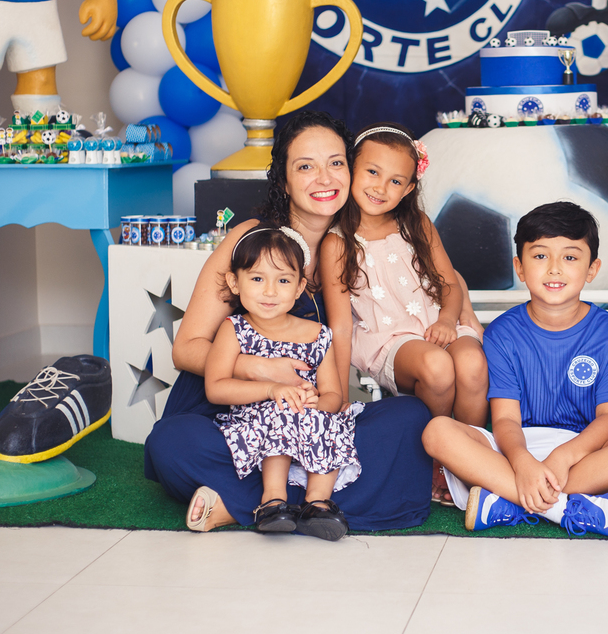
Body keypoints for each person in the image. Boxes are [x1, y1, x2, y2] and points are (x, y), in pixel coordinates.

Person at [144, 111, 440, 533]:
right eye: (306, 166)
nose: (324, 178)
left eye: (336, 163)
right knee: (171, 443)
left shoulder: (363, 249)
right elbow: (186, 346)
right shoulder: (249, 239)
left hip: (312, 419)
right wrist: (260, 370)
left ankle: (249, 505)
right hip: (228, 417)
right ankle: (304, 507)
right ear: (284, 181)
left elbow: (444, 279)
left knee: (410, 418)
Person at [422, 201, 608, 537]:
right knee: (438, 432)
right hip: (513, 452)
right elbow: (506, 419)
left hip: (582, 455)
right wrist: (522, 463)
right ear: (519, 268)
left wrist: (563, 457)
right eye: (540, 256)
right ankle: (568, 509)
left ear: (592, 269)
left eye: (570, 257)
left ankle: (507, 501)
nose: (554, 269)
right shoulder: (503, 332)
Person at [321, 123, 488, 505]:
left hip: (440, 321)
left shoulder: (417, 225)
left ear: (410, 188)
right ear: (351, 169)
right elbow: (341, 325)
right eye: (372, 172)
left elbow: (449, 284)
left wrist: (449, 320)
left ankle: (471, 460)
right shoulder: (338, 243)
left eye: (396, 181)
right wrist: (339, 389)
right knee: (438, 368)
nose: (381, 188)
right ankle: (435, 462)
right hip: (390, 338)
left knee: (473, 366)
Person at [207, 224, 361, 539]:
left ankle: (317, 504)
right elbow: (216, 388)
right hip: (257, 417)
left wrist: (316, 401)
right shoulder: (234, 329)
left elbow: (333, 393)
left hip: (308, 416)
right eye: (257, 278)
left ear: (300, 286)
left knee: (328, 420)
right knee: (279, 412)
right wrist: (272, 390)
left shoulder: (318, 334)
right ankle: (272, 501)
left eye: (284, 280)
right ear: (235, 282)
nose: (270, 291)